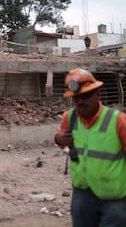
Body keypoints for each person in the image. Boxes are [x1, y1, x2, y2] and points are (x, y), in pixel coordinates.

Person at [54, 68, 126, 227]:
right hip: (82, 194)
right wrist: (58, 138)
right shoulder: (70, 117)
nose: (81, 102)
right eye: (76, 98)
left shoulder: (118, 121)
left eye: (86, 96)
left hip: (114, 197)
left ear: (98, 94)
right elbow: (61, 140)